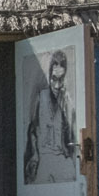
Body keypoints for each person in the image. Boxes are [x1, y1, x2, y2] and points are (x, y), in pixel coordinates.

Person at [24, 49, 79, 185]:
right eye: (54, 79)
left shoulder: (67, 100)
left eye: (61, 79)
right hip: (43, 158)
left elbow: (72, 135)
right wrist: (35, 155)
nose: (57, 85)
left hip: (62, 158)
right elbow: (33, 129)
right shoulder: (40, 97)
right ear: (49, 75)